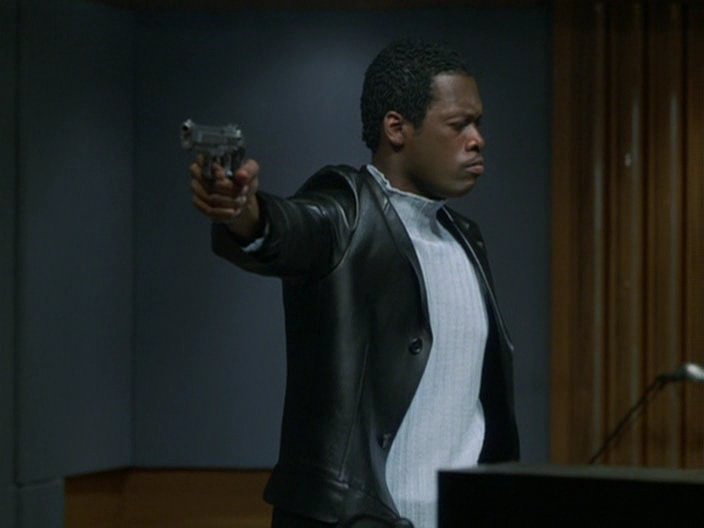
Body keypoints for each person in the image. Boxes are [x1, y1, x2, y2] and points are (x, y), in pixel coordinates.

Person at [190, 39, 519, 528]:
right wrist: (242, 211)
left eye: (479, 124)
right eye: (458, 125)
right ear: (396, 128)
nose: (477, 140)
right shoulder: (346, 212)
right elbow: (285, 228)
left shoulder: (465, 238)